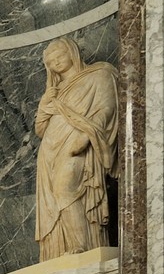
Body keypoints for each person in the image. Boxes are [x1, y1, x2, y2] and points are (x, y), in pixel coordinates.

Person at [34, 38, 119, 261]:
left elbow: (108, 108)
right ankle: (61, 250)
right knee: (54, 199)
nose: (56, 63)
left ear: (72, 52)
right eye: (50, 62)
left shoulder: (99, 75)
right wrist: (44, 105)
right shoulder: (54, 91)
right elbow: (40, 129)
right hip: (50, 151)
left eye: (59, 56)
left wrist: (85, 135)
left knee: (65, 189)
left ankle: (82, 246)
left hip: (77, 145)